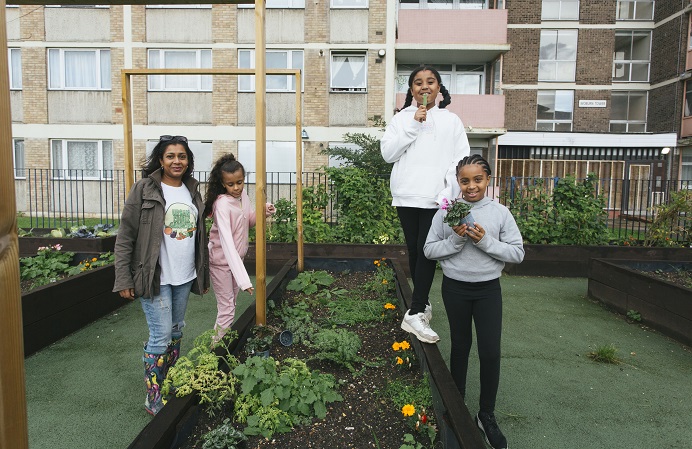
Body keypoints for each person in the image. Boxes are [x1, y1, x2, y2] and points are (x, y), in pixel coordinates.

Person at [423, 154, 524, 449]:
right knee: (460, 347)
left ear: (488, 180)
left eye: (477, 179)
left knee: (490, 352)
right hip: (455, 289)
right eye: (464, 180)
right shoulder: (446, 212)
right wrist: (456, 240)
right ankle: (457, 409)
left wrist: (485, 242)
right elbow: (429, 250)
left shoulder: (500, 213)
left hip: (488, 290)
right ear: (458, 182)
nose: (471, 186)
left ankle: (486, 415)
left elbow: (517, 253)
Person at [113, 135, 209, 416]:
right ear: (160, 160)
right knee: (161, 334)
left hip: (185, 275)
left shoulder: (192, 191)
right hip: (154, 276)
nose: (176, 161)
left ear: (188, 161)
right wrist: (123, 278)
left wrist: (201, 276)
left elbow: (199, 236)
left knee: (177, 329)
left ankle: (169, 381)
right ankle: (153, 395)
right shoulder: (144, 189)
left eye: (182, 156)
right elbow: (126, 235)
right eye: (170, 156)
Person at [381, 65, 470, 344]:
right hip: (407, 195)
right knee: (415, 251)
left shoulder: (451, 120)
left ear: (439, 89)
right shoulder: (402, 119)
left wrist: (449, 191)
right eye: (418, 83)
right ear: (411, 90)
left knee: (426, 251)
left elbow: (460, 158)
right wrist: (413, 124)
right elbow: (388, 153)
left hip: (436, 198)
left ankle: (416, 311)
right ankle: (422, 302)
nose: (424, 87)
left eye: (430, 82)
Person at [203, 153, 275, 340]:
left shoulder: (242, 196)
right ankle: (215, 351)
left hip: (237, 261)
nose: (236, 188)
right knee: (227, 309)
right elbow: (227, 242)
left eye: (240, 182)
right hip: (222, 263)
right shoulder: (222, 205)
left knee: (230, 306)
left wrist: (262, 211)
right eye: (231, 184)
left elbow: (247, 221)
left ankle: (220, 345)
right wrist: (244, 280)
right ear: (222, 183)